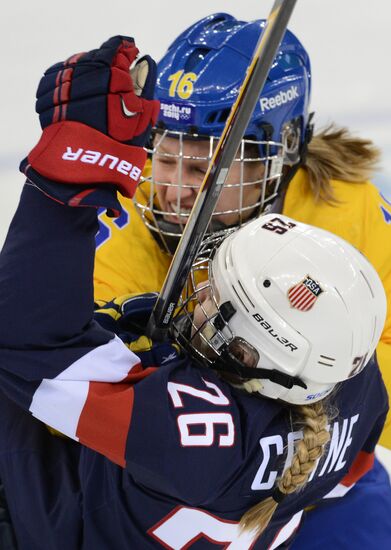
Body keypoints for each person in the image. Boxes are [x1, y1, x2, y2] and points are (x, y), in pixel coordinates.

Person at [0, 35, 389, 548]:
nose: (177, 191)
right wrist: (307, 397)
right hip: (298, 472)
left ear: (276, 156)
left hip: (178, 472)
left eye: (205, 168)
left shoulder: (345, 208)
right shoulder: (119, 239)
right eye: (164, 155)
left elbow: (43, 363)